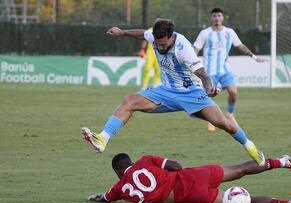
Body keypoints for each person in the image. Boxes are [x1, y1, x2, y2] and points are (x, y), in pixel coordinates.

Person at [81, 19, 265, 166]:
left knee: (223, 123)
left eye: (164, 44)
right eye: (158, 44)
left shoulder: (183, 48)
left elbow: (202, 73)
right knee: (129, 101)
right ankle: (102, 139)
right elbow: (141, 34)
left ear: (171, 37)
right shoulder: (155, 36)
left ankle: (250, 146)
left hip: (191, 93)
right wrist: (122, 32)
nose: (160, 47)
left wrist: (209, 87)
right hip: (166, 91)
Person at [87, 153, 291, 203]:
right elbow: (176, 166)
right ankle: (281, 161)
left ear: (118, 172)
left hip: (189, 196)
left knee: (244, 200)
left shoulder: (119, 188)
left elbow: (106, 198)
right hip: (194, 175)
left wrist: (99, 197)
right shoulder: (146, 160)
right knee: (239, 169)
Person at [193, 8, 268, 131]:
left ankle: (230, 113)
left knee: (233, 92)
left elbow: (240, 46)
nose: (216, 18)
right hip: (209, 71)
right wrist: (190, 64)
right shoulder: (205, 33)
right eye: (214, 16)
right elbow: (195, 49)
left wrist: (254, 57)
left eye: (218, 15)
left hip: (224, 70)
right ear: (211, 18)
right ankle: (211, 119)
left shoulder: (229, 32)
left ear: (223, 18)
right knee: (209, 96)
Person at [138, 23, 160, 89]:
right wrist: (142, 49)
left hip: (159, 53)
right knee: (147, 69)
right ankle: (145, 85)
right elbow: (145, 40)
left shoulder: (162, 31)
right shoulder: (150, 30)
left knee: (157, 70)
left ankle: (155, 85)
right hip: (150, 53)